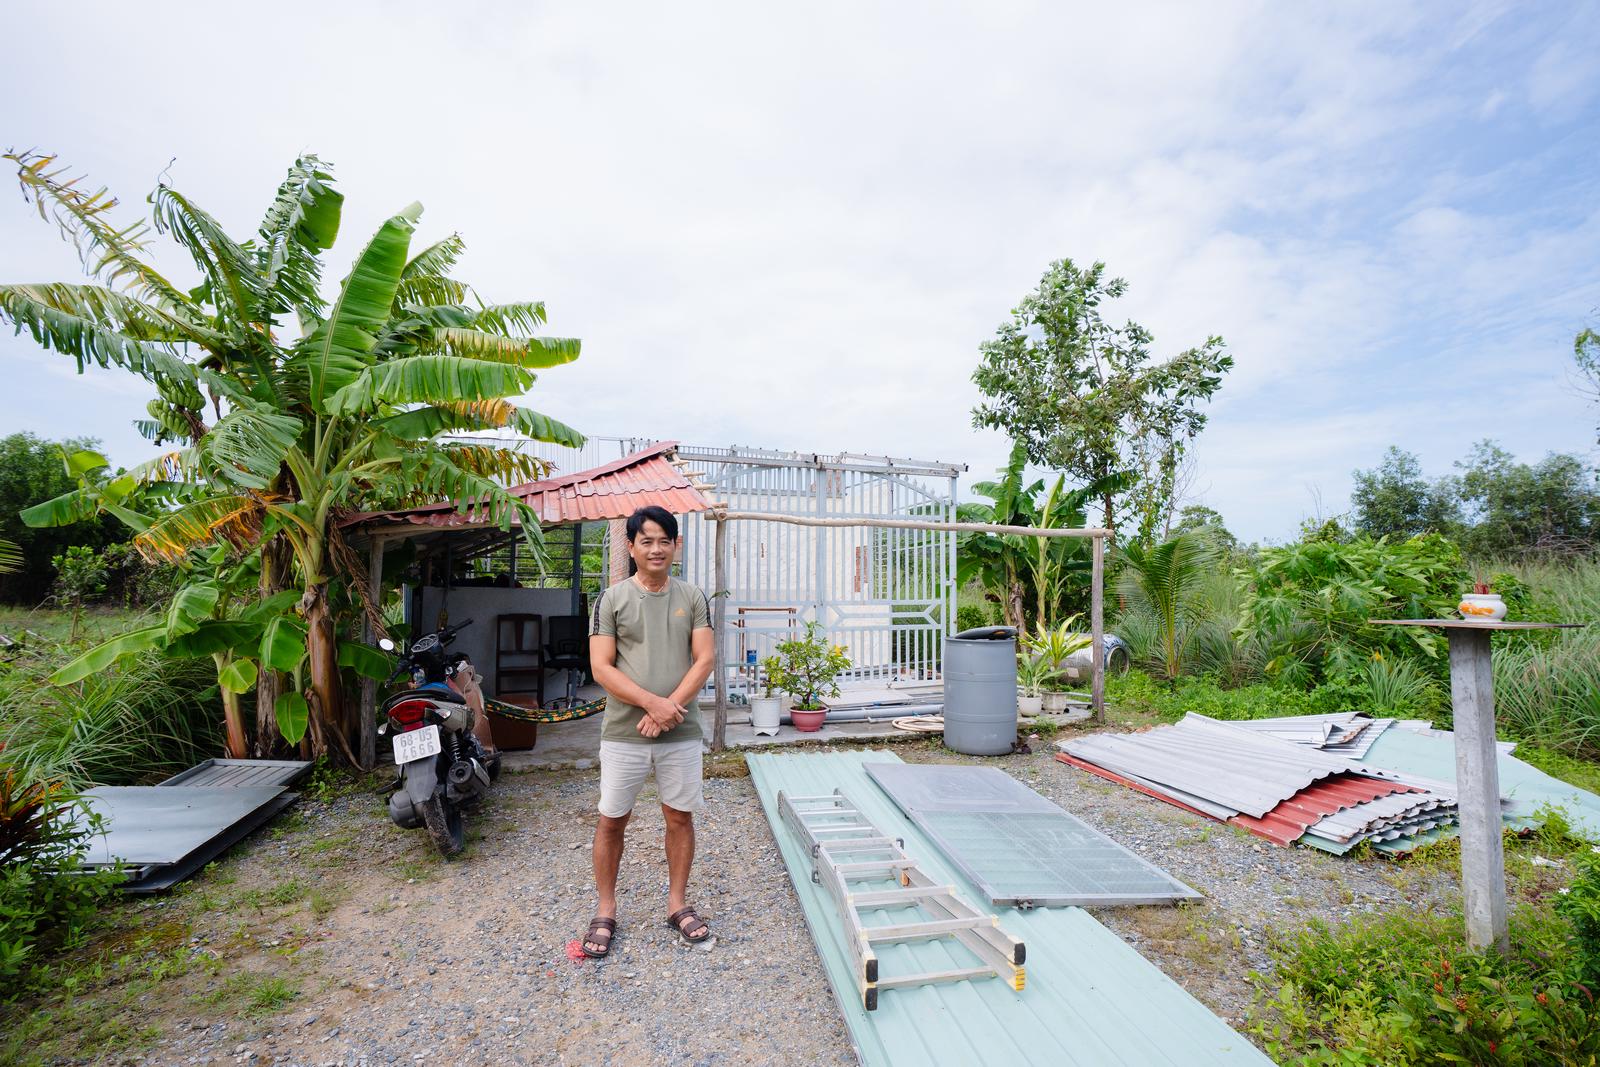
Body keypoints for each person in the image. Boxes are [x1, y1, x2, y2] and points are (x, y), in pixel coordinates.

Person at [580, 506, 716, 958]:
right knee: (612, 819)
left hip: (680, 730)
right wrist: (652, 704)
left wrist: (667, 708)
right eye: (647, 541)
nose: (656, 549)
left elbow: (704, 659)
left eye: (664, 541)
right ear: (631, 546)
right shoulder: (611, 599)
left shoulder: (692, 596)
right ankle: (605, 908)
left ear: (676, 545)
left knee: (680, 817)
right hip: (625, 731)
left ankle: (677, 903)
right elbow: (601, 667)